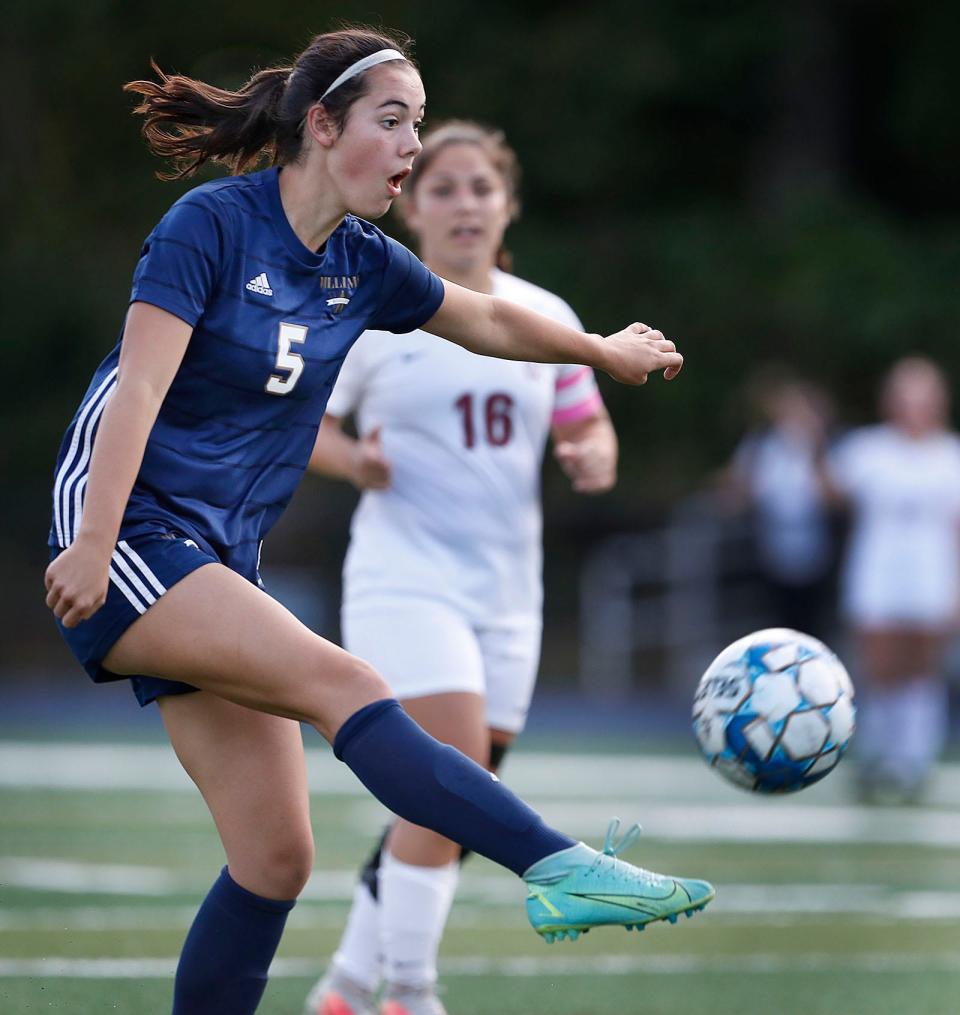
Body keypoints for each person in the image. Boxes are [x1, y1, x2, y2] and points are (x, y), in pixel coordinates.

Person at [43, 28, 713, 1015]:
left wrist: (596, 351)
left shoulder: (360, 262)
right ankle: (561, 866)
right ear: (321, 126)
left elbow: (484, 318)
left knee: (275, 857)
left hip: (218, 549)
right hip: (131, 522)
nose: (411, 148)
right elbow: (137, 390)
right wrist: (96, 543)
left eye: (419, 126)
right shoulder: (210, 226)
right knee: (345, 681)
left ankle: (551, 871)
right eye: (392, 122)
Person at [302, 121, 619, 1015]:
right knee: (452, 786)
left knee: (449, 807)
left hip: (510, 597)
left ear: (508, 203)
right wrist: (352, 460)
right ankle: (410, 992)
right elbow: (303, 421)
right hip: (406, 581)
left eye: (483, 187)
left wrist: (593, 450)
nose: (466, 203)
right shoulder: (372, 312)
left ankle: (344, 987)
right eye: (444, 188)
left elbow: (584, 415)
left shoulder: (546, 314)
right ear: (411, 206)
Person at [827, 356, 960, 802]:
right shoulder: (869, 449)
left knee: (922, 665)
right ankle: (875, 757)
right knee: (879, 665)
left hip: (930, 573)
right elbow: (828, 490)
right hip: (878, 571)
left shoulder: (950, 456)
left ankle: (912, 762)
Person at [720, 367, 838, 641]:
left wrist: (816, 451)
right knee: (776, 619)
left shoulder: (822, 446)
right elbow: (739, 487)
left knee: (814, 621)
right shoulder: (761, 444)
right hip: (770, 545)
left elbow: (834, 497)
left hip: (817, 545)